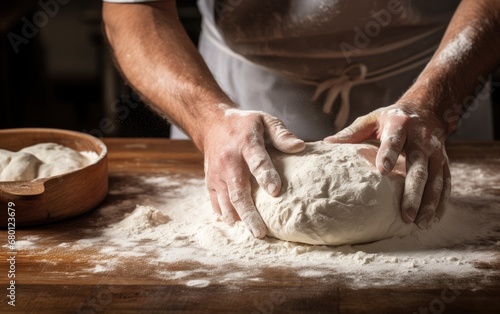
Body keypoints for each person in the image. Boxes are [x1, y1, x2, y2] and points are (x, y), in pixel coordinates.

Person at [102, 0, 500, 238]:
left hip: (432, 77)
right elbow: (137, 9)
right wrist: (210, 118)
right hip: (240, 93)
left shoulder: (436, 92)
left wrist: (434, 100)